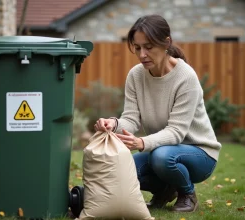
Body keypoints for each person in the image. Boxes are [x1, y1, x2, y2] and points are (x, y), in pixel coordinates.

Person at [94, 14, 222, 213]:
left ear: (166, 43)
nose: (142, 54)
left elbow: (177, 132)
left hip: (200, 154)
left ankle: (187, 194)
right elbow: (131, 118)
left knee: (161, 157)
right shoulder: (136, 75)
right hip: (160, 151)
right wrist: (113, 124)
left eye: (149, 47)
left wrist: (143, 143)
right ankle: (164, 190)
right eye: (137, 48)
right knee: (120, 170)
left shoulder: (185, 77)